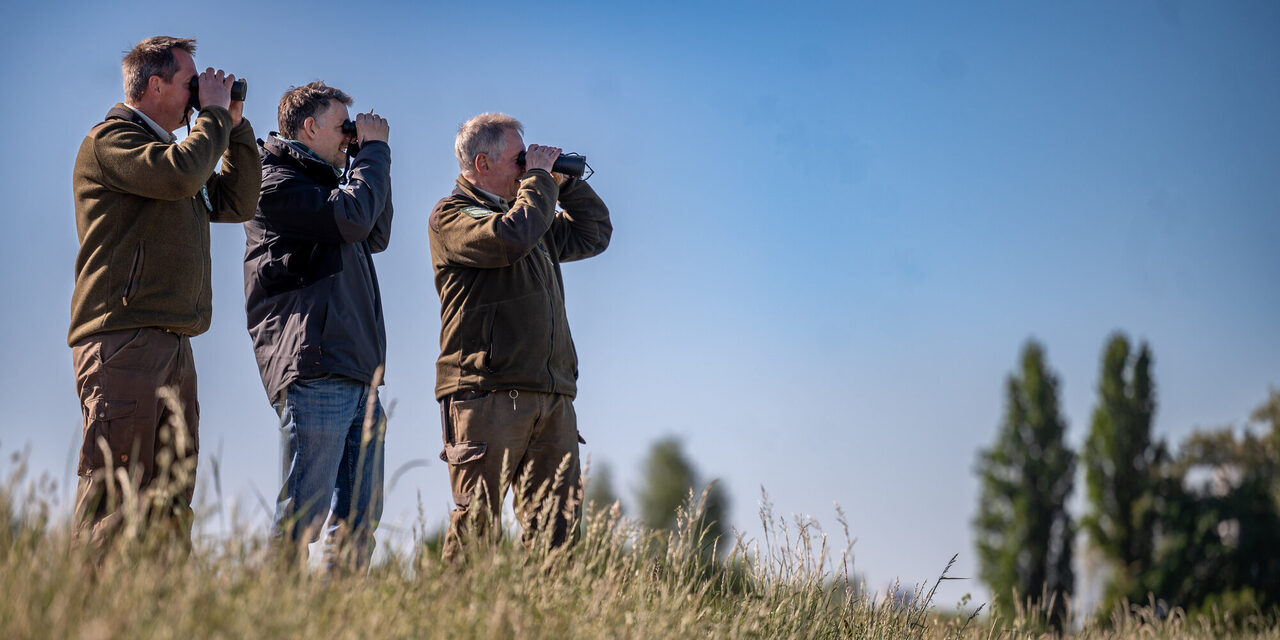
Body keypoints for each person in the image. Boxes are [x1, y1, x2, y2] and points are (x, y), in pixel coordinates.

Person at [68, 36, 260, 553]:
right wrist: (213, 119)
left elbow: (238, 201)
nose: (199, 94)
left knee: (171, 500)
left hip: (173, 342)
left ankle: (161, 613)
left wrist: (234, 126)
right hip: (123, 338)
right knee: (116, 494)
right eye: (190, 84)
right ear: (154, 85)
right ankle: (82, 616)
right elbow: (180, 175)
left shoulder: (178, 153)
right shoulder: (112, 141)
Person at [428, 113, 611, 561]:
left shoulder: (534, 212)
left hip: (550, 396)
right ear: (483, 163)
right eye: (519, 160)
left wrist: (564, 183)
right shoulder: (452, 216)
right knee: (477, 527)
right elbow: (512, 238)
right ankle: (452, 626)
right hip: (486, 393)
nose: (527, 168)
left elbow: (595, 233)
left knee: (558, 534)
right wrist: (540, 181)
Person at [243, 82, 393, 571]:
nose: (350, 135)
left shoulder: (331, 182)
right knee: (302, 515)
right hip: (315, 363)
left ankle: (337, 619)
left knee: (358, 519)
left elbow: (375, 230)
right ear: (309, 127)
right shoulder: (276, 180)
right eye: (342, 127)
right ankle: (275, 615)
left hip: (356, 368)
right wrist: (372, 153)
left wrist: (365, 158)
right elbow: (352, 219)